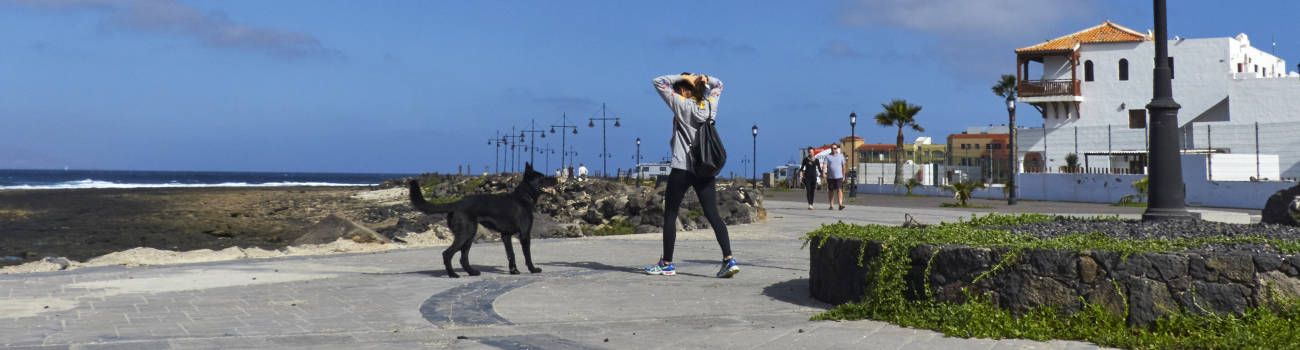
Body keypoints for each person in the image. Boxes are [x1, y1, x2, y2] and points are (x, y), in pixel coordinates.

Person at [645, 72, 738, 278]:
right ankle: (728, 259)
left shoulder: (681, 105)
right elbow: (720, 83)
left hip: (682, 167)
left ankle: (667, 263)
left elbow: (658, 81)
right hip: (705, 168)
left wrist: (683, 76)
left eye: (680, 87)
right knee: (713, 214)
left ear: (686, 90)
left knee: (670, 214)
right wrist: (703, 78)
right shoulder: (711, 104)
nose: (677, 90)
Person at [822, 144, 846, 210]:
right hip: (830, 177)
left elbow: (844, 166)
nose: (833, 149)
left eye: (835, 148)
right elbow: (824, 165)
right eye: (832, 148)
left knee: (839, 189)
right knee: (831, 190)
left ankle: (840, 204)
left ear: (837, 149)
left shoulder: (841, 156)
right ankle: (831, 205)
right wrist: (823, 173)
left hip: (839, 176)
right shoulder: (828, 157)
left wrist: (844, 176)